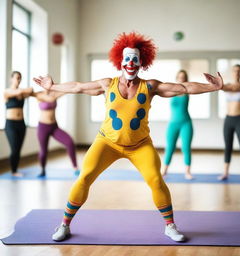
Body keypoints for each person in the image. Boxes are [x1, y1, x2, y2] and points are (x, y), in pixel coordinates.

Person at [34, 32, 223, 242]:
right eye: (127, 59)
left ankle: (170, 226)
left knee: (155, 179)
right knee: (85, 177)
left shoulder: (149, 86)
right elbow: (78, 87)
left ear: (142, 63)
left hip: (140, 145)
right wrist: (52, 86)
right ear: (120, 61)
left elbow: (184, 88)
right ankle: (64, 225)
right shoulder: (107, 84)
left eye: (135, 59)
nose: (131, 63)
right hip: (107, 142)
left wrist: (212, 87)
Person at [32, 88, 79, 177]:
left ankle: (75, 168)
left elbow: (66, 90)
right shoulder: (39, 95)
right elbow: (29, 93)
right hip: (43, 127)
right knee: (43, 151)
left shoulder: (54, 94)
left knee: (69, 142)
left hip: (54, 127)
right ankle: (42, 170)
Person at [162, 70, 194, 179]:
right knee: (170, 147)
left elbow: (196, 87)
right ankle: (164, 171)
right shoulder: (172, 91)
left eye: (183, 77)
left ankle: (187, 172)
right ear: (176, 78)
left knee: (186, 148)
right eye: (180, 77)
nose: (181, 79)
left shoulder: (187, 90)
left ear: (186, 79)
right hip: (173, 124)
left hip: (186, 123)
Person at [4, 71, 33, 177]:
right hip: (10, 124)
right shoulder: (7, 92)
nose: (19, 80)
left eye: (20, 78)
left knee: (18, 148)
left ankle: (15, 169)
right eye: (17, 78)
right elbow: (17, 92)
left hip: (21, 124)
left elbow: (31, 90)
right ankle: (14, 171)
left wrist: (25, 90)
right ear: (11, 79)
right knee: (14, 148)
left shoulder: (21, 93)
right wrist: (23, 91)